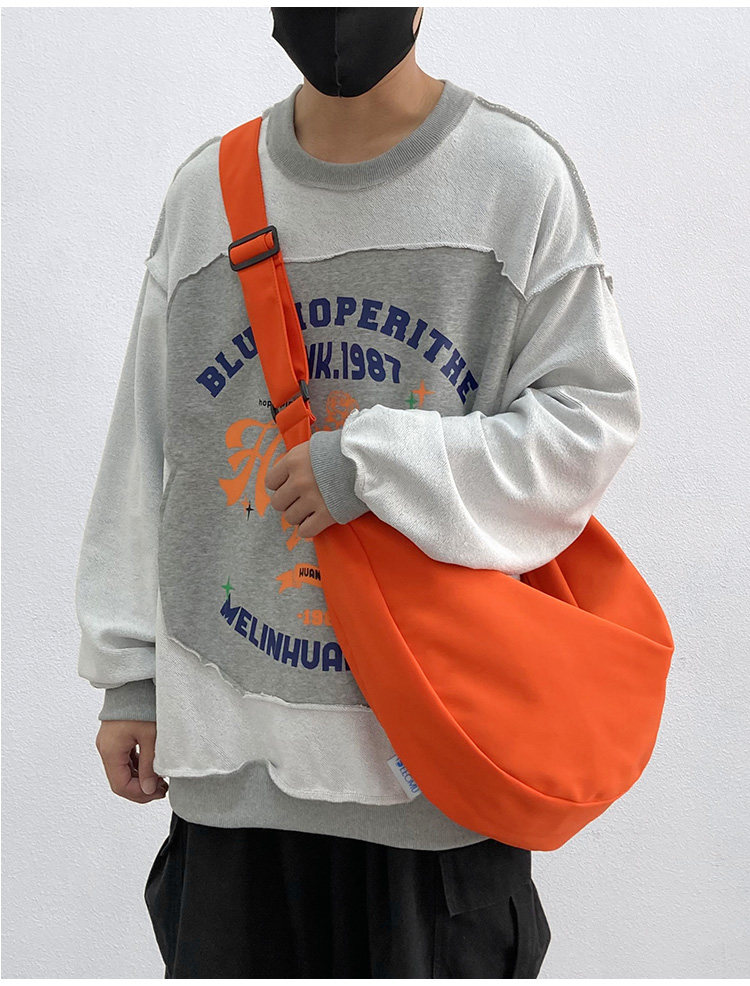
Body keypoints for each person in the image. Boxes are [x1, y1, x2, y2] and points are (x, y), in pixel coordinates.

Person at [75, 6, 642, 978]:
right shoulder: (209, 192)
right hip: (235, 787)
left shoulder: (513, 181)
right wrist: (130, 672)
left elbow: (587, 428)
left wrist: (372, 464)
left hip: (439, 781)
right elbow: (148, 440)